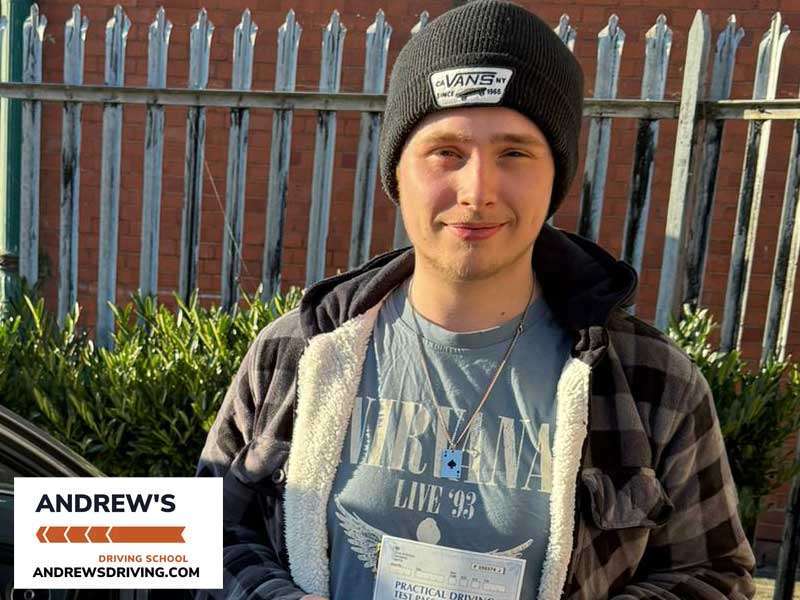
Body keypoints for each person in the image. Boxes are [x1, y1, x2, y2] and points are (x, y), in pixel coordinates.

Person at [196, 1, 756, 598]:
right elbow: (202, 538)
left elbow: (714, 575)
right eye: (446, 152)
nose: (478, 190)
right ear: (398, 171)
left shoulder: (653, 382)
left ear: (556, 177)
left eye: (514, 153)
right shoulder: (294, 353)